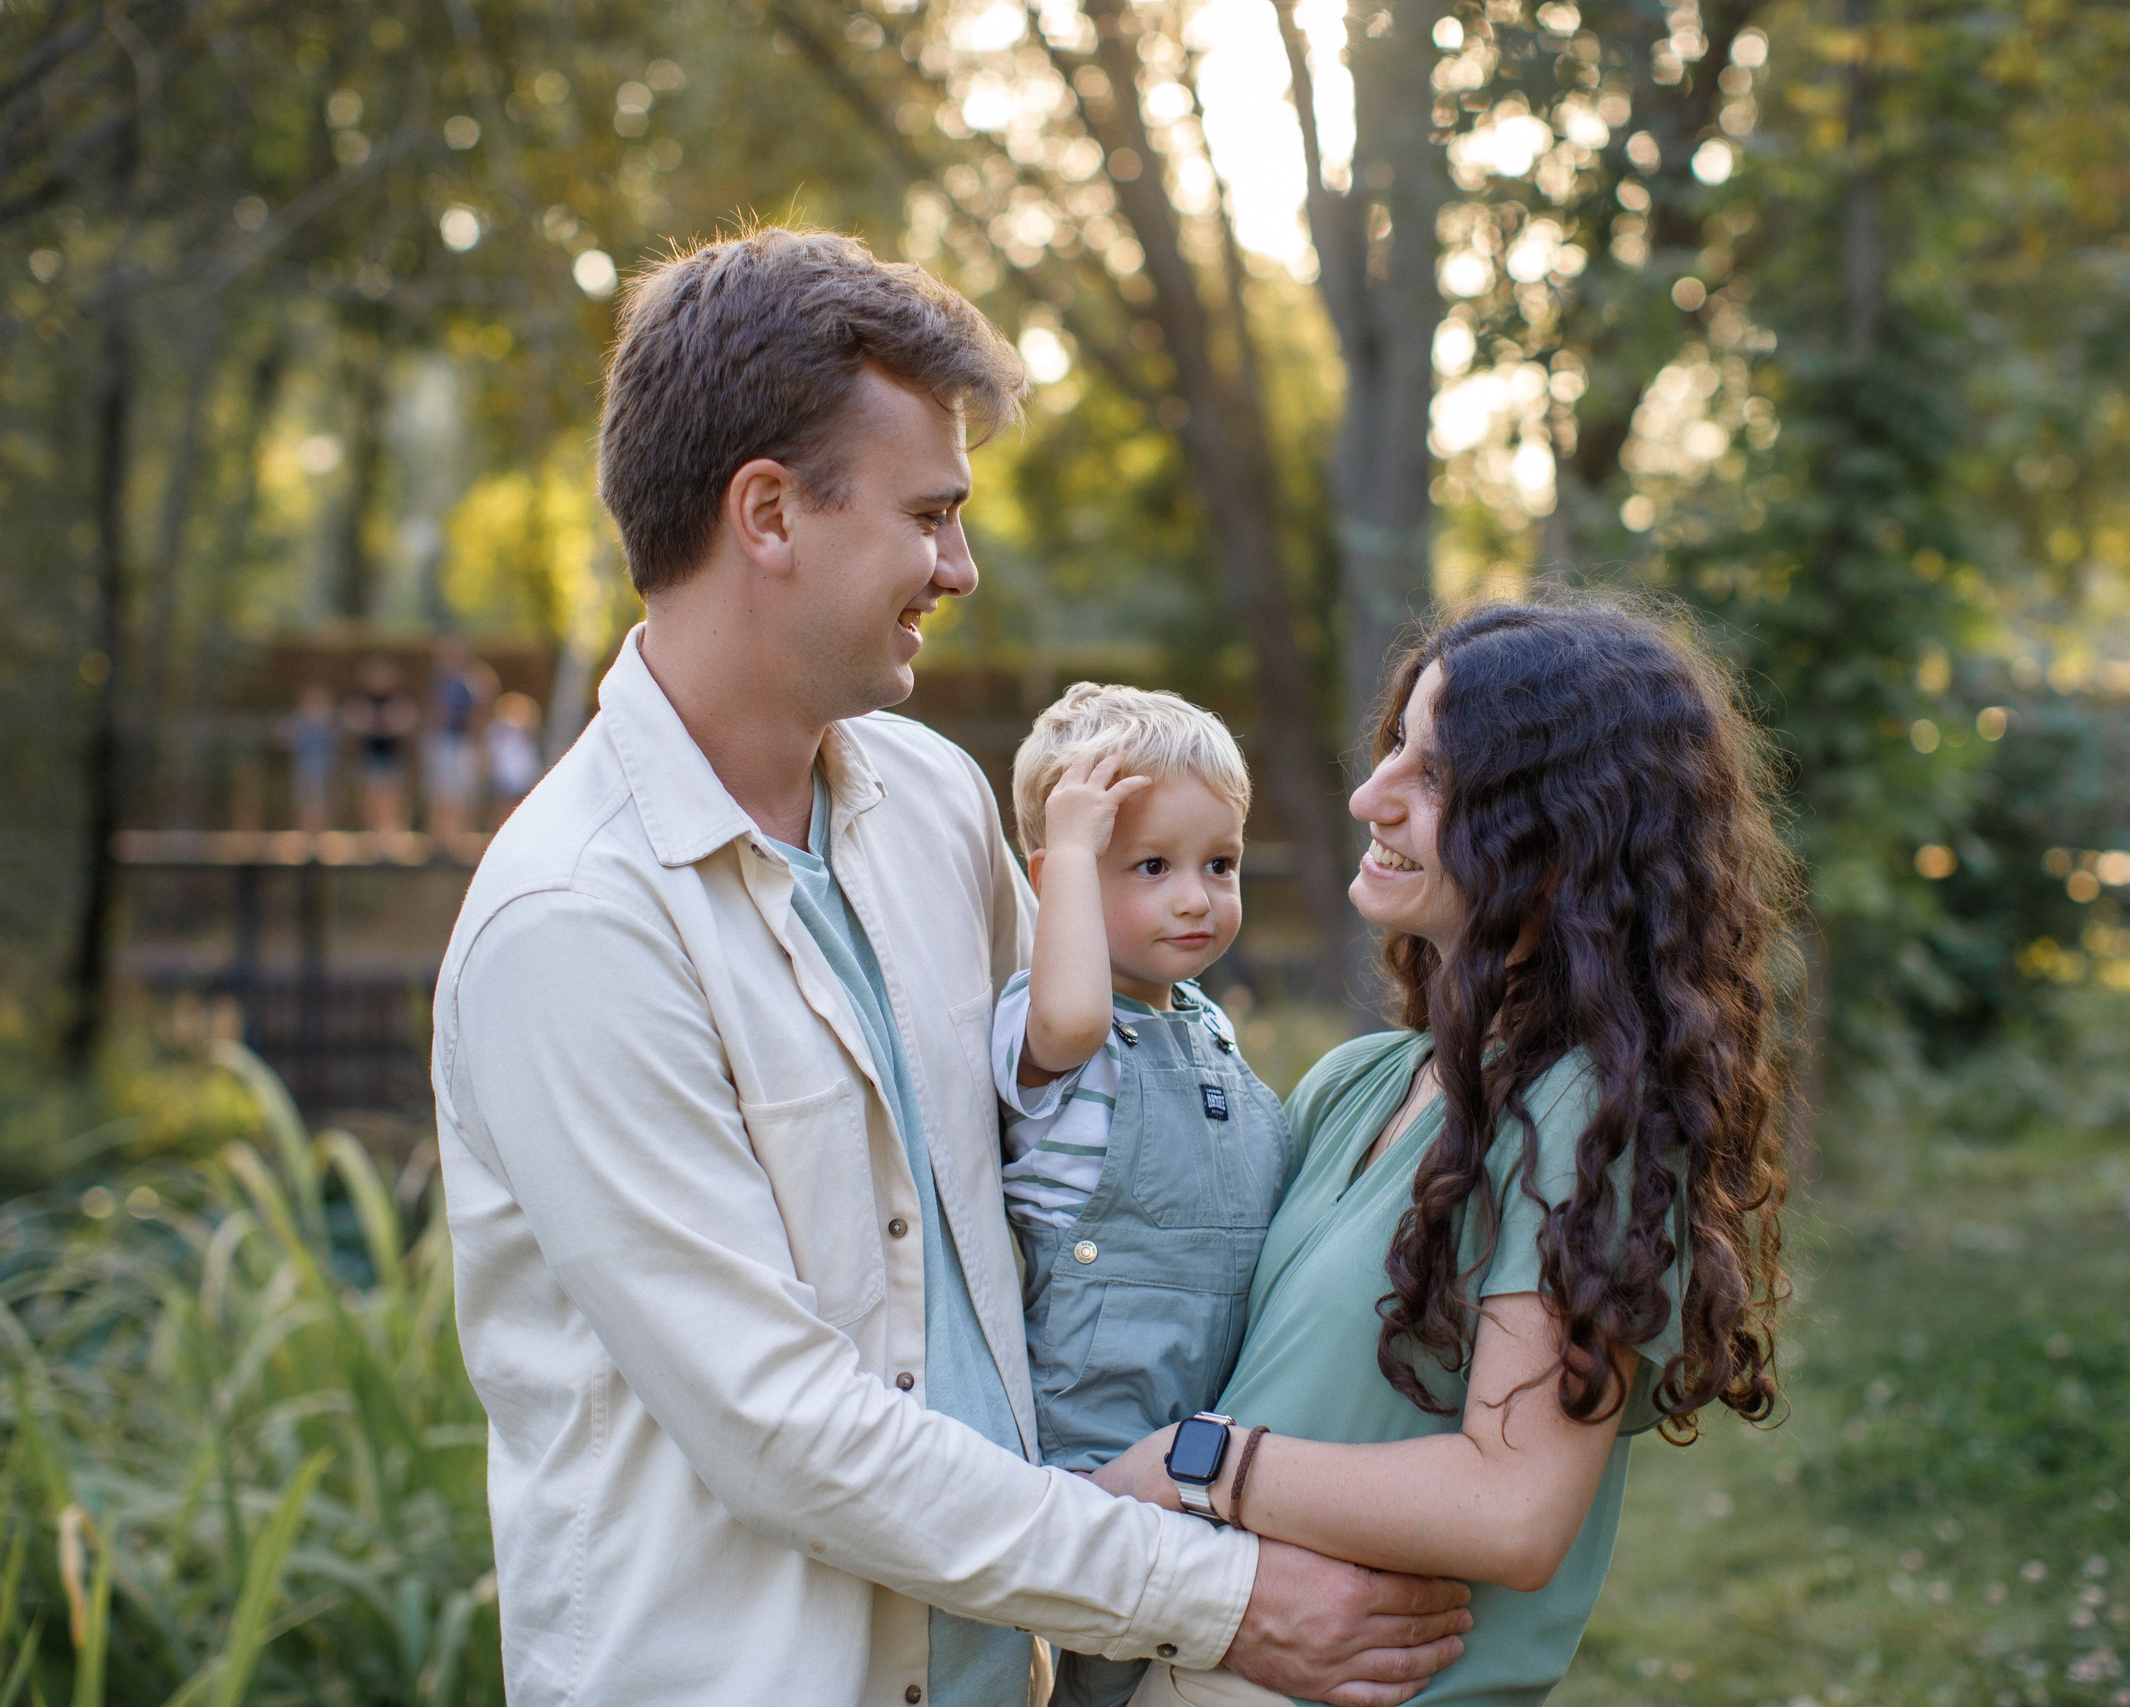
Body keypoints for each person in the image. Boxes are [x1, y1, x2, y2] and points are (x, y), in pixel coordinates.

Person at [430, 227, 1469, 1707]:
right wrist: (1221, 1595)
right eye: (932, 514)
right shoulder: (576, 926)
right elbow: (786, 1425)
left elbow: (1078, 1140)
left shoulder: (924, 799)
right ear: (771, 514)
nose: (960, 567)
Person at [1095, 600, 1798, 1707]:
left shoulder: (1584, 1119)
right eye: (1391, 751)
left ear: (1559, 834)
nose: (1370, 796)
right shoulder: (1357, 1084)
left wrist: (1194, 1465)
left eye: (1433, 778)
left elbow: (1510, 1509)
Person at [990, 684, 1299, 1707]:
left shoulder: (1205, 1029)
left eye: (1220, 863)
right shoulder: (1053, 1030)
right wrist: (1070, 855)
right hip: (1088, 1453)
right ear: (1060, 883)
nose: (1195, 898)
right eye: (1151, 867)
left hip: (1207, 1438)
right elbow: (1073, 1019)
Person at [425, 638, 495, 845]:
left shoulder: (472, 683)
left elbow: (480, 713)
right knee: (442, 792)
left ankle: (457, 837)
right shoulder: (438, 683)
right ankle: (440, 838)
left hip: (461, 742)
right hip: (443, 741)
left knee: (461, 792)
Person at [346, 656, 417, 836]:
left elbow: (408, 722)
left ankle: (390, 834)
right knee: (371, 798)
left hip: (391, 757)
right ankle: (373, 834)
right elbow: (352, 722)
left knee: (392, 797)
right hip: (370, 756)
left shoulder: (398, 699)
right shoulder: (362, 699)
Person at [282, 683, 340, 834]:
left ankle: (321, 835)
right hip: (303, 771)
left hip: (325, 772)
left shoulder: (330, 725)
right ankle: (306, 834)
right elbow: (285, 739)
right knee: (304, 803)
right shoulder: (299, 723)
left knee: (323, 805)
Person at [483, 690, 543, 826]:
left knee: (519, 808)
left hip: (522, 776)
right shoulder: (497, 729)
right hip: (503, 776)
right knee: (502, 807)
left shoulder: (527, 730)